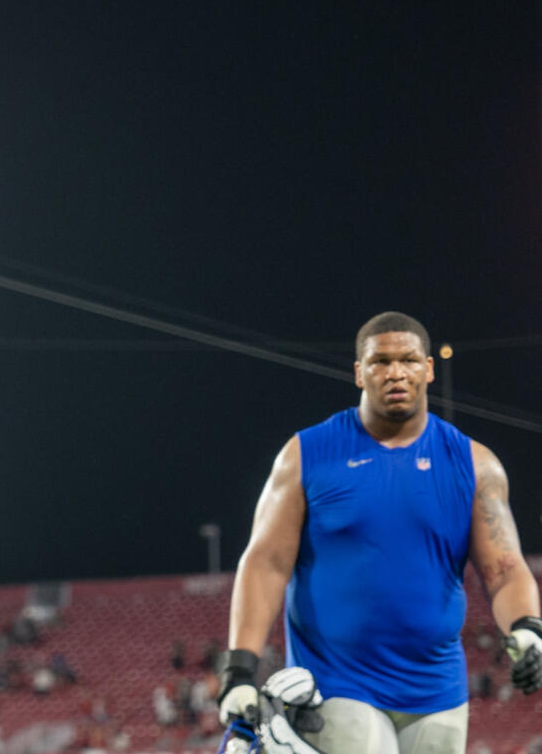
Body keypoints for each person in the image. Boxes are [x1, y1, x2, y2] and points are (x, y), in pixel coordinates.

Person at [220, 311, 542, 754]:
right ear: (359, 372)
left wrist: (528, 628)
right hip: (339, 680)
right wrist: (238, 670)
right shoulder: (306, 455)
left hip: (438, 686)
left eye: (408, 360)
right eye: (380, 362)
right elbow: (265, 563)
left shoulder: (475, 464)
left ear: (428, 369)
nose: (395, 373)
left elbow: (504, 570)